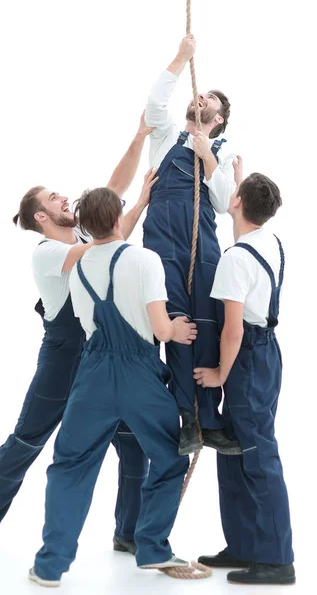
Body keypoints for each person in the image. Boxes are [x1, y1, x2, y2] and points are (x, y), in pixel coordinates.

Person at [0, 118, 153, 555]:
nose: (64, 197)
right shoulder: (48, 253)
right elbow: (109, 238)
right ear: (42, 216)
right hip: (64, 359)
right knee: (26, 442)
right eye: (54, 197)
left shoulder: (87, 233)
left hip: (101, 358)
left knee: (131, 442)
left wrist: (139, 140)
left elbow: (112, 196)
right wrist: (125, 211)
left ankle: (128, 532)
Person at [29, 187, 196, 587]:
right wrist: (176, 328)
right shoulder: (144, 260)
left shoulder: (79, 266)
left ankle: (50, 566)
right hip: (140, 374)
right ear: (118, 220)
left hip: (93, 375)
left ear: (84, 226)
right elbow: (159, 328)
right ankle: (153, 547)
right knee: (170, 458)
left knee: (70, 464)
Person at [195, 157, 295, 586]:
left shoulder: (235, 258)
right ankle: (242, 544)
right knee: (235, 449)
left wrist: (219, 373)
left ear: (235, 203)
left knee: (257, 453)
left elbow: (232, 330)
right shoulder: (270, 240)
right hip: (266, 351)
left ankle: (276, 559)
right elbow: (248, 204)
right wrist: (240, 181)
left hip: (246, 356)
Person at [144, 34, 241, 456]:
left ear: (218, 119)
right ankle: (187, 419)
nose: (201, 98)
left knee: (208, 321)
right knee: (176, 326)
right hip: (162, 236)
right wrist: (182, 59)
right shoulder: (165, 136)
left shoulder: (219, 148)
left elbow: (222, 203)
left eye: (209, 100)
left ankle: (211, 419)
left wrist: (209, 157)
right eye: (199, 94)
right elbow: (153, 105)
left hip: (202, 238)